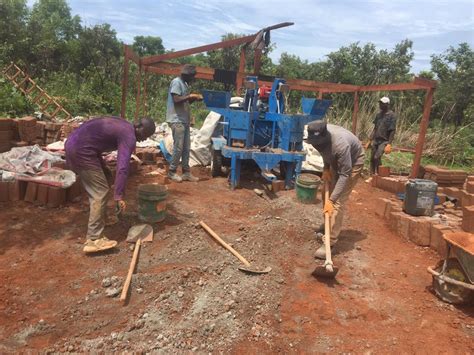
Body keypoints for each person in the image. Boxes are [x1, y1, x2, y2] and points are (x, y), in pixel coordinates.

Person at [65, 116, 156, 253]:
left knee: (106, 176)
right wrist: (119, 195)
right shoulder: (129, 136)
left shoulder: (125, 126)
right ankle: (94, 239)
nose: (145, 139)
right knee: (99, 191)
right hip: (81, 152)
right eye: (146, 135)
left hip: (76, 144)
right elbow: (123, 166)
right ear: (139, 127)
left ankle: (103, 218)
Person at [306, 121, 365, 259]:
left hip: (353, 162)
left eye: (319, 143)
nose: (316, 145)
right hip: (336, 161)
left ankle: (329, 243)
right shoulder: (317, 137)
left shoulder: (340, 145)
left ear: (325, 138)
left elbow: (345, 175)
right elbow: (326, 153)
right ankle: (328, 222)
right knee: (324, 192)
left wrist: (331, 200)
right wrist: (326, 168)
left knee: (337, 201)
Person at [166, 64, 203, 182]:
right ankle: (171, 172)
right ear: (187, 76)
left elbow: (184, 102)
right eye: (192, 77)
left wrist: (193, 98)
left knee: (186, 147)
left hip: (184, 120)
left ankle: (186, 172)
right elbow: (176, 100)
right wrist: (190, 96)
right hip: (177, 120)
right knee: (178, 147)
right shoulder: (177, 82)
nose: (193, 79)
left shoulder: (185, 84)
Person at [366, 96, 396, 175]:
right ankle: (372, 175)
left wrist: (389, 144)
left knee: (377, 157)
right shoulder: (378, 115)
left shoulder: (391, 116)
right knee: (372, 158)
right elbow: (375, 128)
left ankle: (380, 174)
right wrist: (370, 140)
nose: (380, 105)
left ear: (387, 105)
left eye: (382, 104)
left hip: (384, 141)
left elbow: (392, 131)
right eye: (380, 103)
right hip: (376, 140)